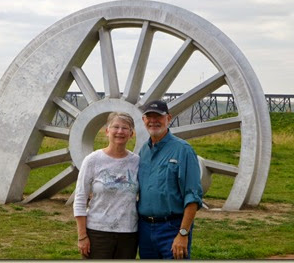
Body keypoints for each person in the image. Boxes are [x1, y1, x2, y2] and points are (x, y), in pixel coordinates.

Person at [137, 100, 203, 259]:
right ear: (143, 120)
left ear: (168, 118)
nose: (153, 121)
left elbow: (192, 196)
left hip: (172, 227)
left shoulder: (183, 150)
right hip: (145, 228)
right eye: (149, 117)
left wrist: (183, 234)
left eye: (158, 116)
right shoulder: (143, 151)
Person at [73, 112, 139, 259]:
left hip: (128, 234)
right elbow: (80, 198)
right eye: (115, 127)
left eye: (125, 128)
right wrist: (82, 236)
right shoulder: (92, 160)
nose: (120, 131)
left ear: (131, 134)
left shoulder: (137, 162)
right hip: (98, 233)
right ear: (107, 131)